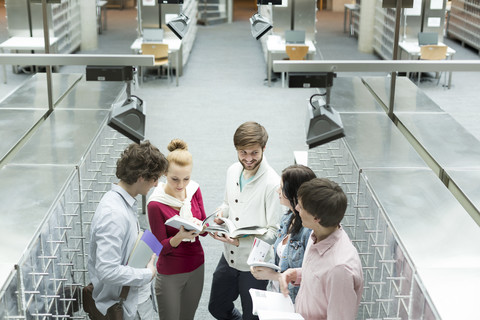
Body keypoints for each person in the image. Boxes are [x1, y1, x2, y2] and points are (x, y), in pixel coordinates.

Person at [87, 141, 168, 320]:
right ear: (141, 177)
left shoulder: (120, 201)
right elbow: (107, 270)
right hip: (127, 306)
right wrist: (147, 274)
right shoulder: (114, 215)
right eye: (154, 179)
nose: (155, 185)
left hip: (132, 298)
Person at [208, 121, 281, 320]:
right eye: (243, 152)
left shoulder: (272, 183)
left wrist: (242, 241)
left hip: (255, 263)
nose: (248, 159)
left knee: (253, 316)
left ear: (264, 149)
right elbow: (227, 203)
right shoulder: (232, 170)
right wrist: (222, 215)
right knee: (216, 306)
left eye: (254, 153)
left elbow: (274, 232)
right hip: (229, 257)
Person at [279, 178, 364, 320]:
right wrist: (297, 274)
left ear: (316, 218)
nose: (297, 208)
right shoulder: (317, 233)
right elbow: (321, 276)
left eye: (301, 206)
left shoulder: (340, 269)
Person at [147, 139, 207, 320]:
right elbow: (158, 248)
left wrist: (205, 226)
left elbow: (203, 226)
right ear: (165, 173)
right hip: (170, 272)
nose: (181, 185)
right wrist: (179, 237)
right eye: (175, 179)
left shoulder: (194, 189)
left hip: (197, 265)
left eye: (186, 178)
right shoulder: (155, 204)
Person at [250, 164, 315, 302]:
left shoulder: (310, 231)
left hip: (295, 301)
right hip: (277, 294)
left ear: (293, 192)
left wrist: (273, 275)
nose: (277, 190)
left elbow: (312, 275)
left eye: (281, 187)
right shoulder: (287, 218)